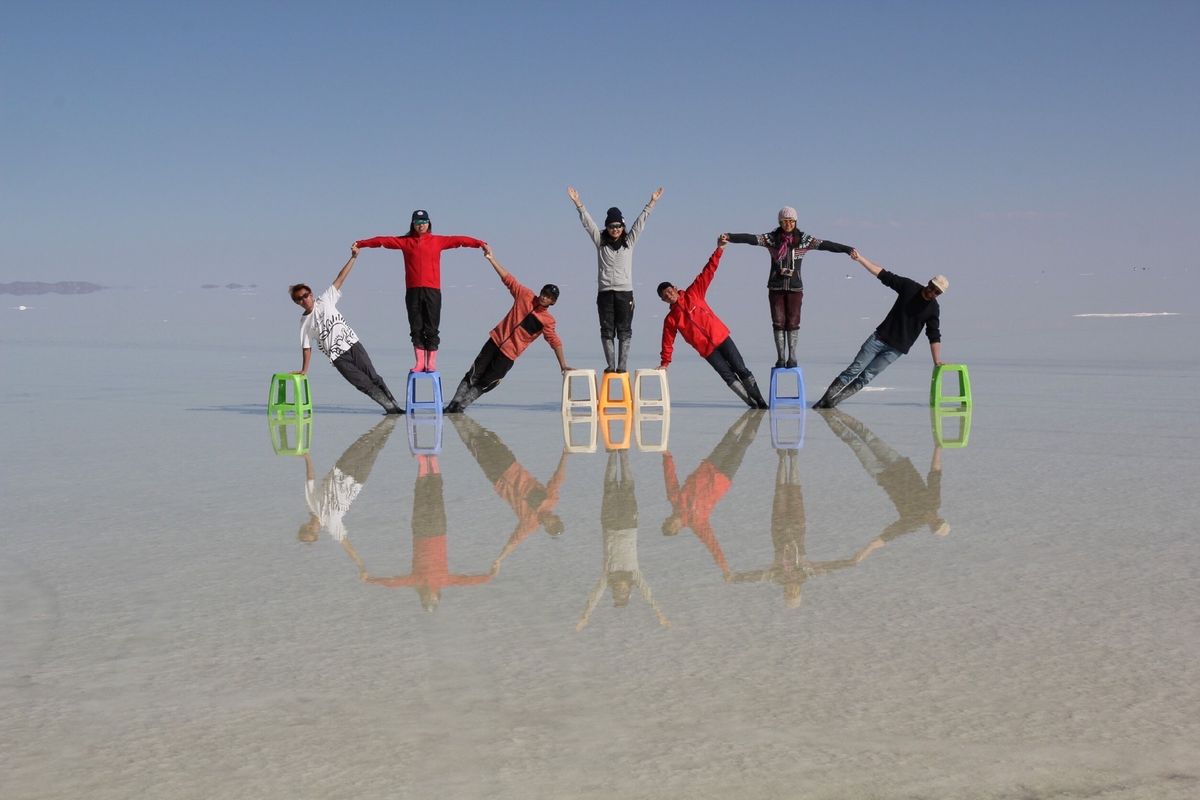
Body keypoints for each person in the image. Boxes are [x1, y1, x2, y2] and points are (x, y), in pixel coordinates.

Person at [353, 209, 487, 373]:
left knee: (431, 326)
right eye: (417, 222)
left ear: (428, 223)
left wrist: (480, 243)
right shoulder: (405, 242)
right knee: (416, 327)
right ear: (413, 224)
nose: (421, 225)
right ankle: (419, 362)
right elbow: (382, 241)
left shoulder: (437, 241)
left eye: (423, 222)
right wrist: (361, 243)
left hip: (433, 291)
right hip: (413, 291)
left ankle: (431, 363)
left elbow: (459, 240)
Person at [812, 251, 949, 409]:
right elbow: (883, 274)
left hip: (896, 349)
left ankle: (833, 402)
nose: (932, 292)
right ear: (929, 282)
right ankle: (823, 401)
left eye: (937, 292)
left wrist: (936, 360)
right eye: (932, 287)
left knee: (866, 377)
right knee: (854, 369)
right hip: (878, 339)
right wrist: (860, 259)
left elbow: (933, 334)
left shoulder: (933, 309)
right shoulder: (909, 287)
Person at [443, 246, 572, 413]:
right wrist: (491, 259)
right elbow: (508, 279)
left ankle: (460, 408)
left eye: (549, 297)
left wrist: (563, 364)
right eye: (544, 293)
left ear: (553, 302)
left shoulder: (548, 321)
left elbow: (554, 341)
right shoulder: (525, 295)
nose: (544, 297)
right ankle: (451, 405)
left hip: (509, 354)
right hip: (495, 341)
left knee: (488, 383)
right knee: (473, 374)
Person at [725, 206, 856, 368]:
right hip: (775, 287)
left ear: (796, 222)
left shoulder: (804, 240)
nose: (788, 224)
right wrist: (730, 237)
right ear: (780, 222)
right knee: (778, 322)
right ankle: (781, 358)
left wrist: (847, 249)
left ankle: (792, 357)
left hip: (795, 288)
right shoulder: (772, 239)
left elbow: (826, 245)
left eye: (791, 221)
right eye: (785, 221)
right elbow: (751, 239)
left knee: (793, 323)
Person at [657, 234, 769, 408]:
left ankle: (761, 401)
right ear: (664, 301)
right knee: (728, 377)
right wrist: (665, 363)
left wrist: (720, 249)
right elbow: (667, 342)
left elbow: (708, 271)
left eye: (670, 291)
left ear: (676, 288)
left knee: (741, 369)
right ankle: (752, 405)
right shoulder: (671, 319)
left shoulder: (694, 293)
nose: (669, 295)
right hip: (707, 350)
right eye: (665, 296)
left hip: (721, 338)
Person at [290, 245, 402, 414]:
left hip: (352, 344)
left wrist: (354, 257)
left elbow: (340, 278)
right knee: (362, 383)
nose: (304, 299)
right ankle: (390, 408)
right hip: (337, 356)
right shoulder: (304, 322)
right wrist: (305, 369)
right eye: (299, 299)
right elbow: (306, 347)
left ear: (311, 294)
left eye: (306, 295)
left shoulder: (326, 299)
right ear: (297, 303)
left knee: (374, 377)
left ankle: (395, 408)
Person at [567, 185, 663, 373]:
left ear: (623, 226)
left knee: (624, 330)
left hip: (624, 292)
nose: (615, 229)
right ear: (607, 227)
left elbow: (640, 223)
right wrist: (578, 203)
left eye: (618, 225)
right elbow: (588, 223)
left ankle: (622, 365)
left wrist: (652, 202)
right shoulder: (600, 242)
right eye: (611, 226)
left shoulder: (629, 242)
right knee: (607, 330)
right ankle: (611, 365)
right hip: (604, 293)